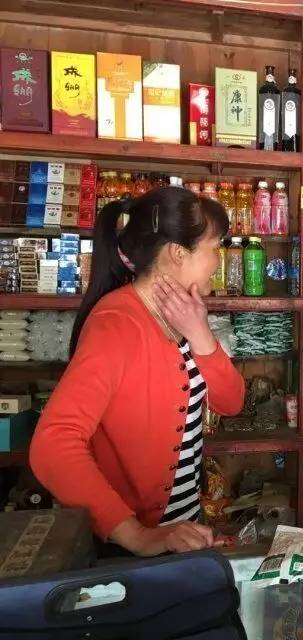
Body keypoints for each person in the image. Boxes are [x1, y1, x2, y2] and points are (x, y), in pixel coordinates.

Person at [30, 187, 245, 556]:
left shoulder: (181, 317)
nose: (218, 260)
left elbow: (231, 402)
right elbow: (52, 444)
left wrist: (201, 335)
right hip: (130, 552)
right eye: (215, 247)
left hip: (183, 531)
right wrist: (136, 535)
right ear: (178, 252)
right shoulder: (116, 325)